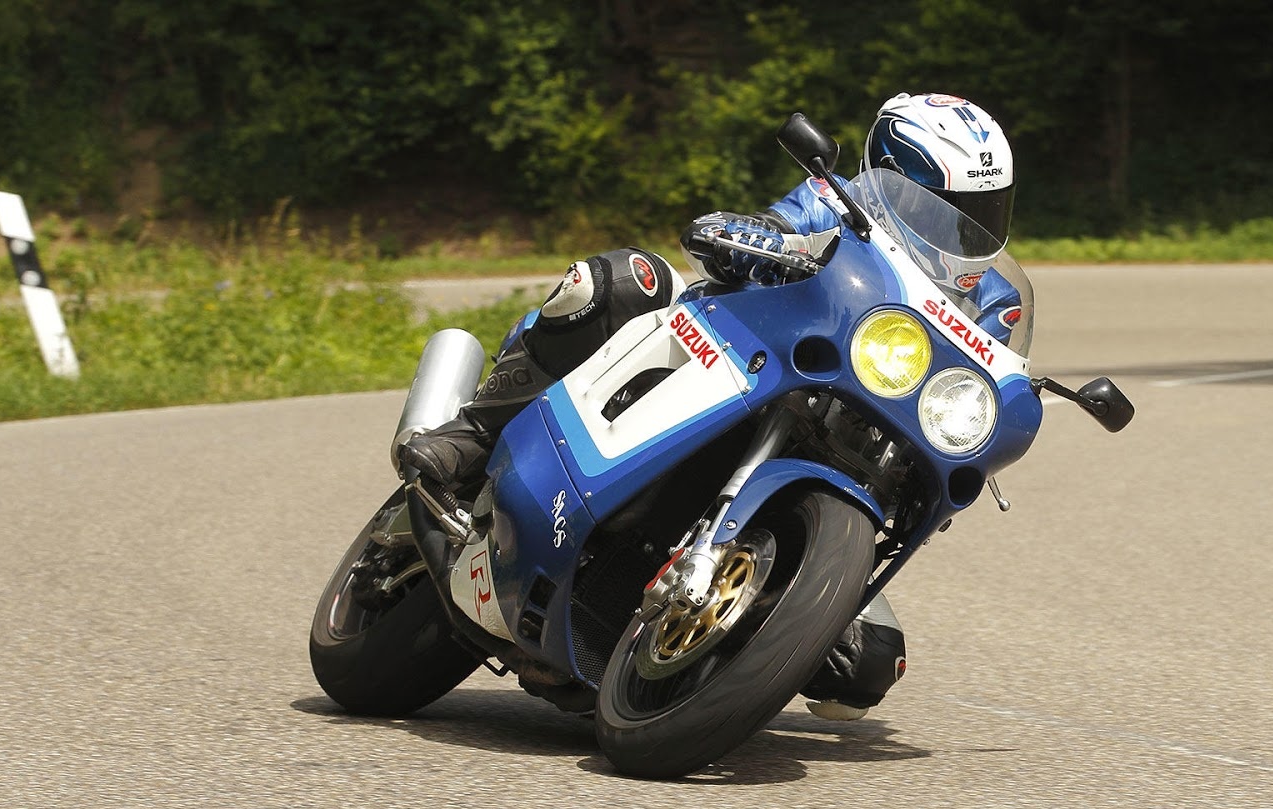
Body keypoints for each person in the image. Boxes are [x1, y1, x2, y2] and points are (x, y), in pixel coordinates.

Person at [399, 92, 1017, 720]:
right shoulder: (833, 200)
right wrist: (747, 238)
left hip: (852, 446)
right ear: (894, 175)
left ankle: (722, 641)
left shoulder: (994, 298)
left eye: (985, 212)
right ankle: (473, 435)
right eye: (952, 209)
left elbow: (992, 377)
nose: (970, 230)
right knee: (617, 281)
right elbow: (752, 230)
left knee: (868, 667)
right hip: (746, 361)